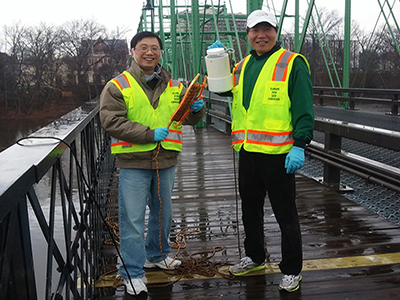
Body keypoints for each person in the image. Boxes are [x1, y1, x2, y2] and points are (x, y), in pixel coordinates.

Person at [209, 9, 314, 292]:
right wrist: (215, 62)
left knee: (286, 215)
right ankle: (254, 257)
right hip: (248, 152)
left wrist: (300, 145)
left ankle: (292, 270)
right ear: (248, 35)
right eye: (255, 30)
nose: (261, 35)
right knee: (250, 210)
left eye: (267, 29)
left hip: (279, 154)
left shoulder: (292, 63)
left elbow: (304, 108)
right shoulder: (242, 66)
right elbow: (222, 90)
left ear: (276, 32)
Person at [99, 31, 205, 296]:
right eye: (143, 47)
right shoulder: (117, 85)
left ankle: (157, 254)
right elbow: (111, 121)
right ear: (133, 52)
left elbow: (189, 119)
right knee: (132, 219)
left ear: (160, 52)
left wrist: (197, 109)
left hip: (166, 158)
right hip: (133, 161)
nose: (149, 52)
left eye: (155, 48)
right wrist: (148, 133)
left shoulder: (175, 85)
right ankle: (132, 272)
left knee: (163, 212)